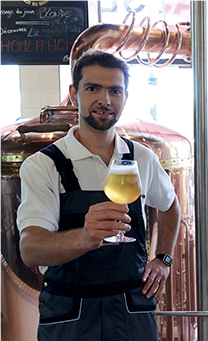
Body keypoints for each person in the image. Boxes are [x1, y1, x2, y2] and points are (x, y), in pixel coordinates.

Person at [17, 49, 180, 341]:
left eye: (114, 91)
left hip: (132, 308)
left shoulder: (141, 158)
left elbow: (170, 206)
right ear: (74, 93)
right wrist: (84, 237)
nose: (104, 100)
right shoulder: (44, 165)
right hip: (70, 314)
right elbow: (30, 249)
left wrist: (163, 259)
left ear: (125, 97)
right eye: (93, 88)